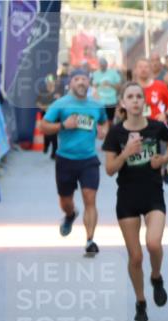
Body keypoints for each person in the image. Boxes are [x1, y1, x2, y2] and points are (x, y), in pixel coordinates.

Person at [102, 82, 168, 321]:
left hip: (153, 194)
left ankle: (156, 276)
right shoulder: (116, 133)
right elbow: (110, 170)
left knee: (153, 244)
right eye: (130, 97)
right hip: (127, 198)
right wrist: (126, 153)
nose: (135, 101)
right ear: (123, 102)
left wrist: (163, 159)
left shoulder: (156, 127)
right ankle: (140, 301)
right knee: (135, 257)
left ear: (144, 102)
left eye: (138, 97)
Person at [39, 68, 109, 255]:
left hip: (89, 160)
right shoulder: (60, 104)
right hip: (66, 160)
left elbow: (104, 121)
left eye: (84, 79)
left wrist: (103, 130)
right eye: (76, 79)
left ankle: (90, 241)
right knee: (65, 200)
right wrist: (63, 125)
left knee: (90, 199)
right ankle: (70, 214)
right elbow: (43, 126)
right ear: (70, 83)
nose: (80, 82)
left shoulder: (96, 105)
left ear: (89, 83)